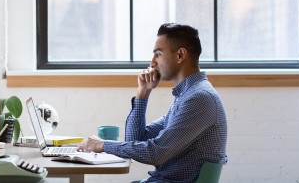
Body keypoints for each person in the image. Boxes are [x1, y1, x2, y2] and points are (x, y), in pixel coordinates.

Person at [78, 23, 228, 182]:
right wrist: (143, 93)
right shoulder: (186, 96)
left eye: (158, 54)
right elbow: (135, 140)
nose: (152, 62)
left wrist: (102, 145)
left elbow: (156, 153)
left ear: (180, 55)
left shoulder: (199, 98)